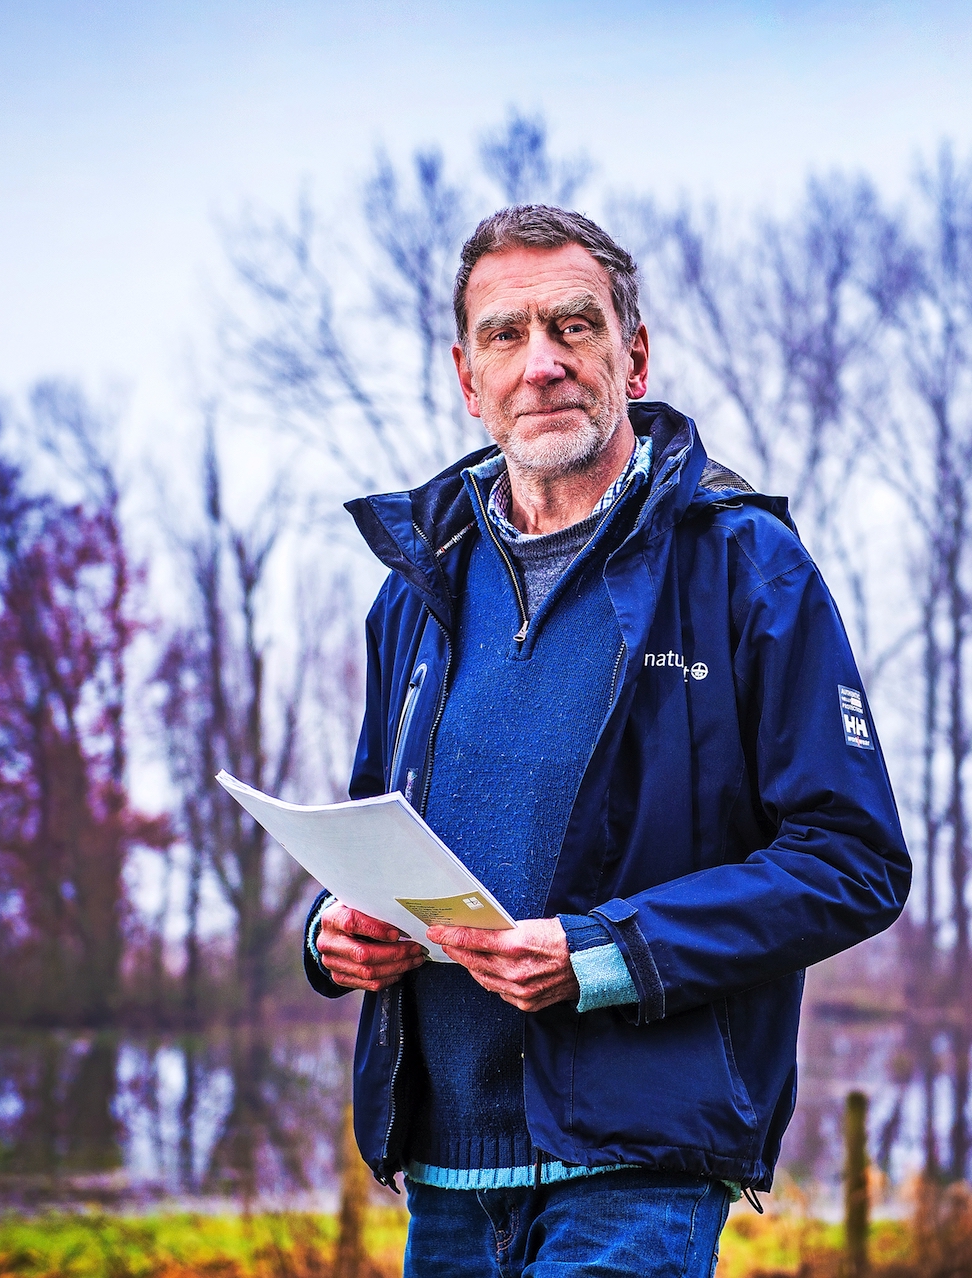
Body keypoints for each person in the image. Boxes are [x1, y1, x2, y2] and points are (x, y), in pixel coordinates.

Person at [301, 204, 909, 1277]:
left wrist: (608, 955)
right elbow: (368, 833)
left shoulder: (746, 568)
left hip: (640, 1170)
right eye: (507, 335)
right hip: (445, 1177)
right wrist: (331, 934)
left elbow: (853, 863)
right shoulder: (415, 597)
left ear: (632, 355)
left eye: (573, 327)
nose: (542, 363)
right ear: (466, 375)